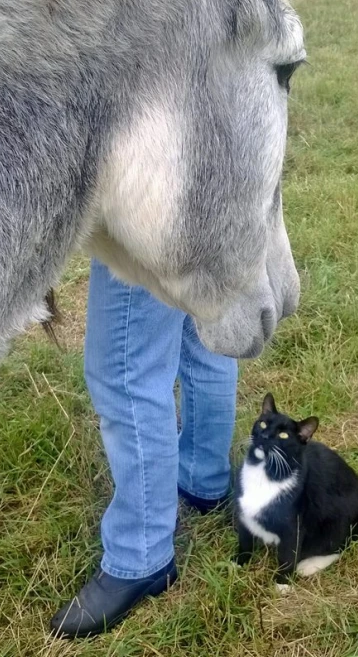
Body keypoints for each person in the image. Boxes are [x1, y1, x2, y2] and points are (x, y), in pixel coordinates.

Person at [51, 259, 238, 638]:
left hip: (150, 205)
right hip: (221, 203)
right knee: (204, 327)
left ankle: (141, 554)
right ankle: (204, 479)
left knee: (125, 367)